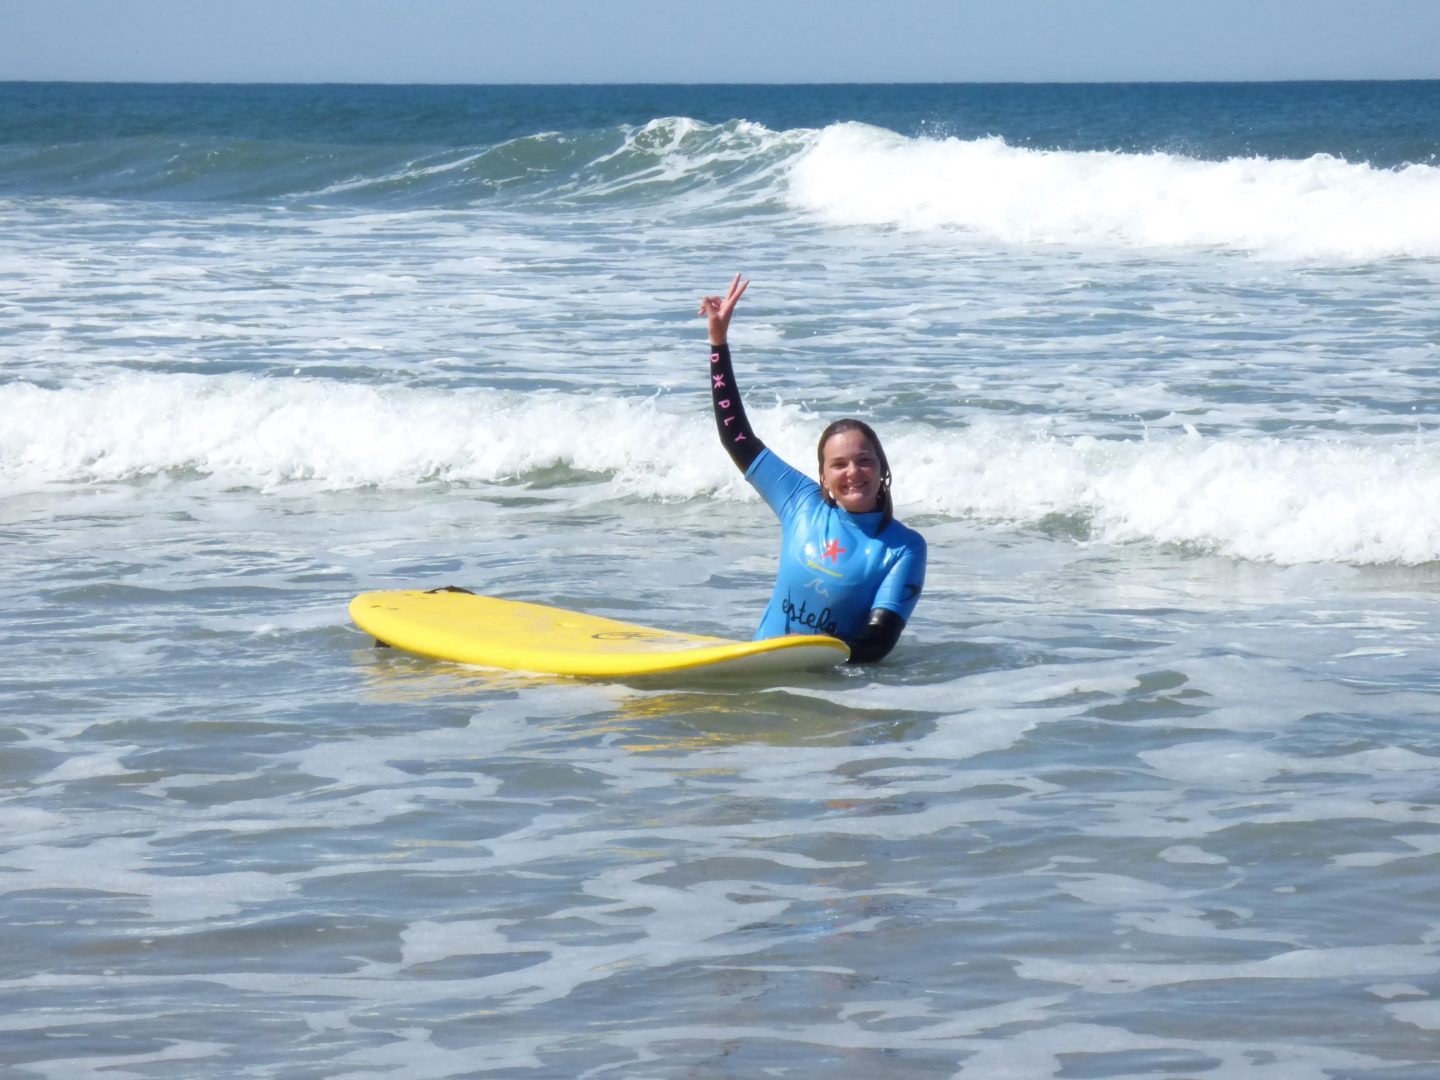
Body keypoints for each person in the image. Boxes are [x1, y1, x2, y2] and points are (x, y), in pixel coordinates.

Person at [698, 274, 926, 664]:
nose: (852, 472)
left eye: (864, 460)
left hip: (833, 695)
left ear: (882, 470)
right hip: (760, 672)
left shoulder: (902, 547)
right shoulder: (801, 504)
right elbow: (736, 436)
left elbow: (880, 639)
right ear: (823, 477)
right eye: (838, 464)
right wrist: (718, 343)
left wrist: (807, 662)